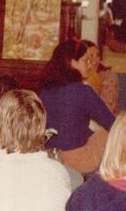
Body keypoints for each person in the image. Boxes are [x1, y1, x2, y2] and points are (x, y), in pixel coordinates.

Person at [37, 39, 116, 175]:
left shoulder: (45, 90)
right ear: (72, 63)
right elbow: (112, 124)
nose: (90, 66)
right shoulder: (83, 90)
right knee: (111, 131)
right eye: (86, 61)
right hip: (78, 161)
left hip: (49, 158)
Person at [82, 40, 120, 114]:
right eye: (91, 55)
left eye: (97, 55)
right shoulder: (77, 77)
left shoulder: (109, 77)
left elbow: (107, 110)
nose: (95, 60)